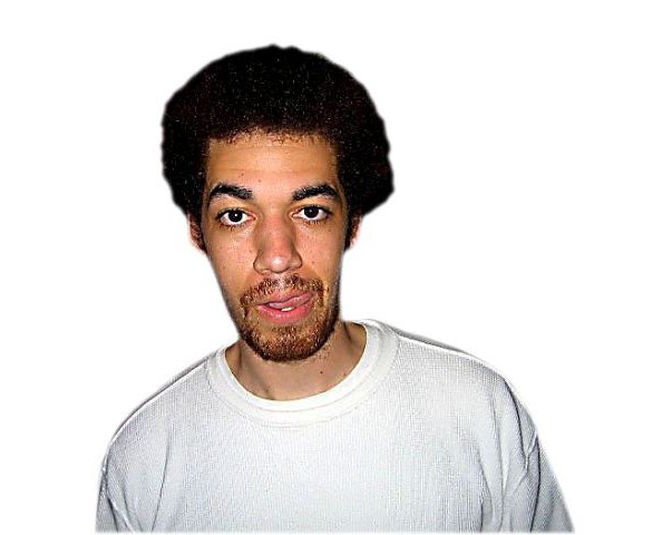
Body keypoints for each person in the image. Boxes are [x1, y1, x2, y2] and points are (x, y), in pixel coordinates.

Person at [96, 45, 572, 532]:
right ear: (199, 232)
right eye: (236, 216)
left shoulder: (478, 412)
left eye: (310, 211)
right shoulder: (145, 460)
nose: (277, 256)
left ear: (352, 223)